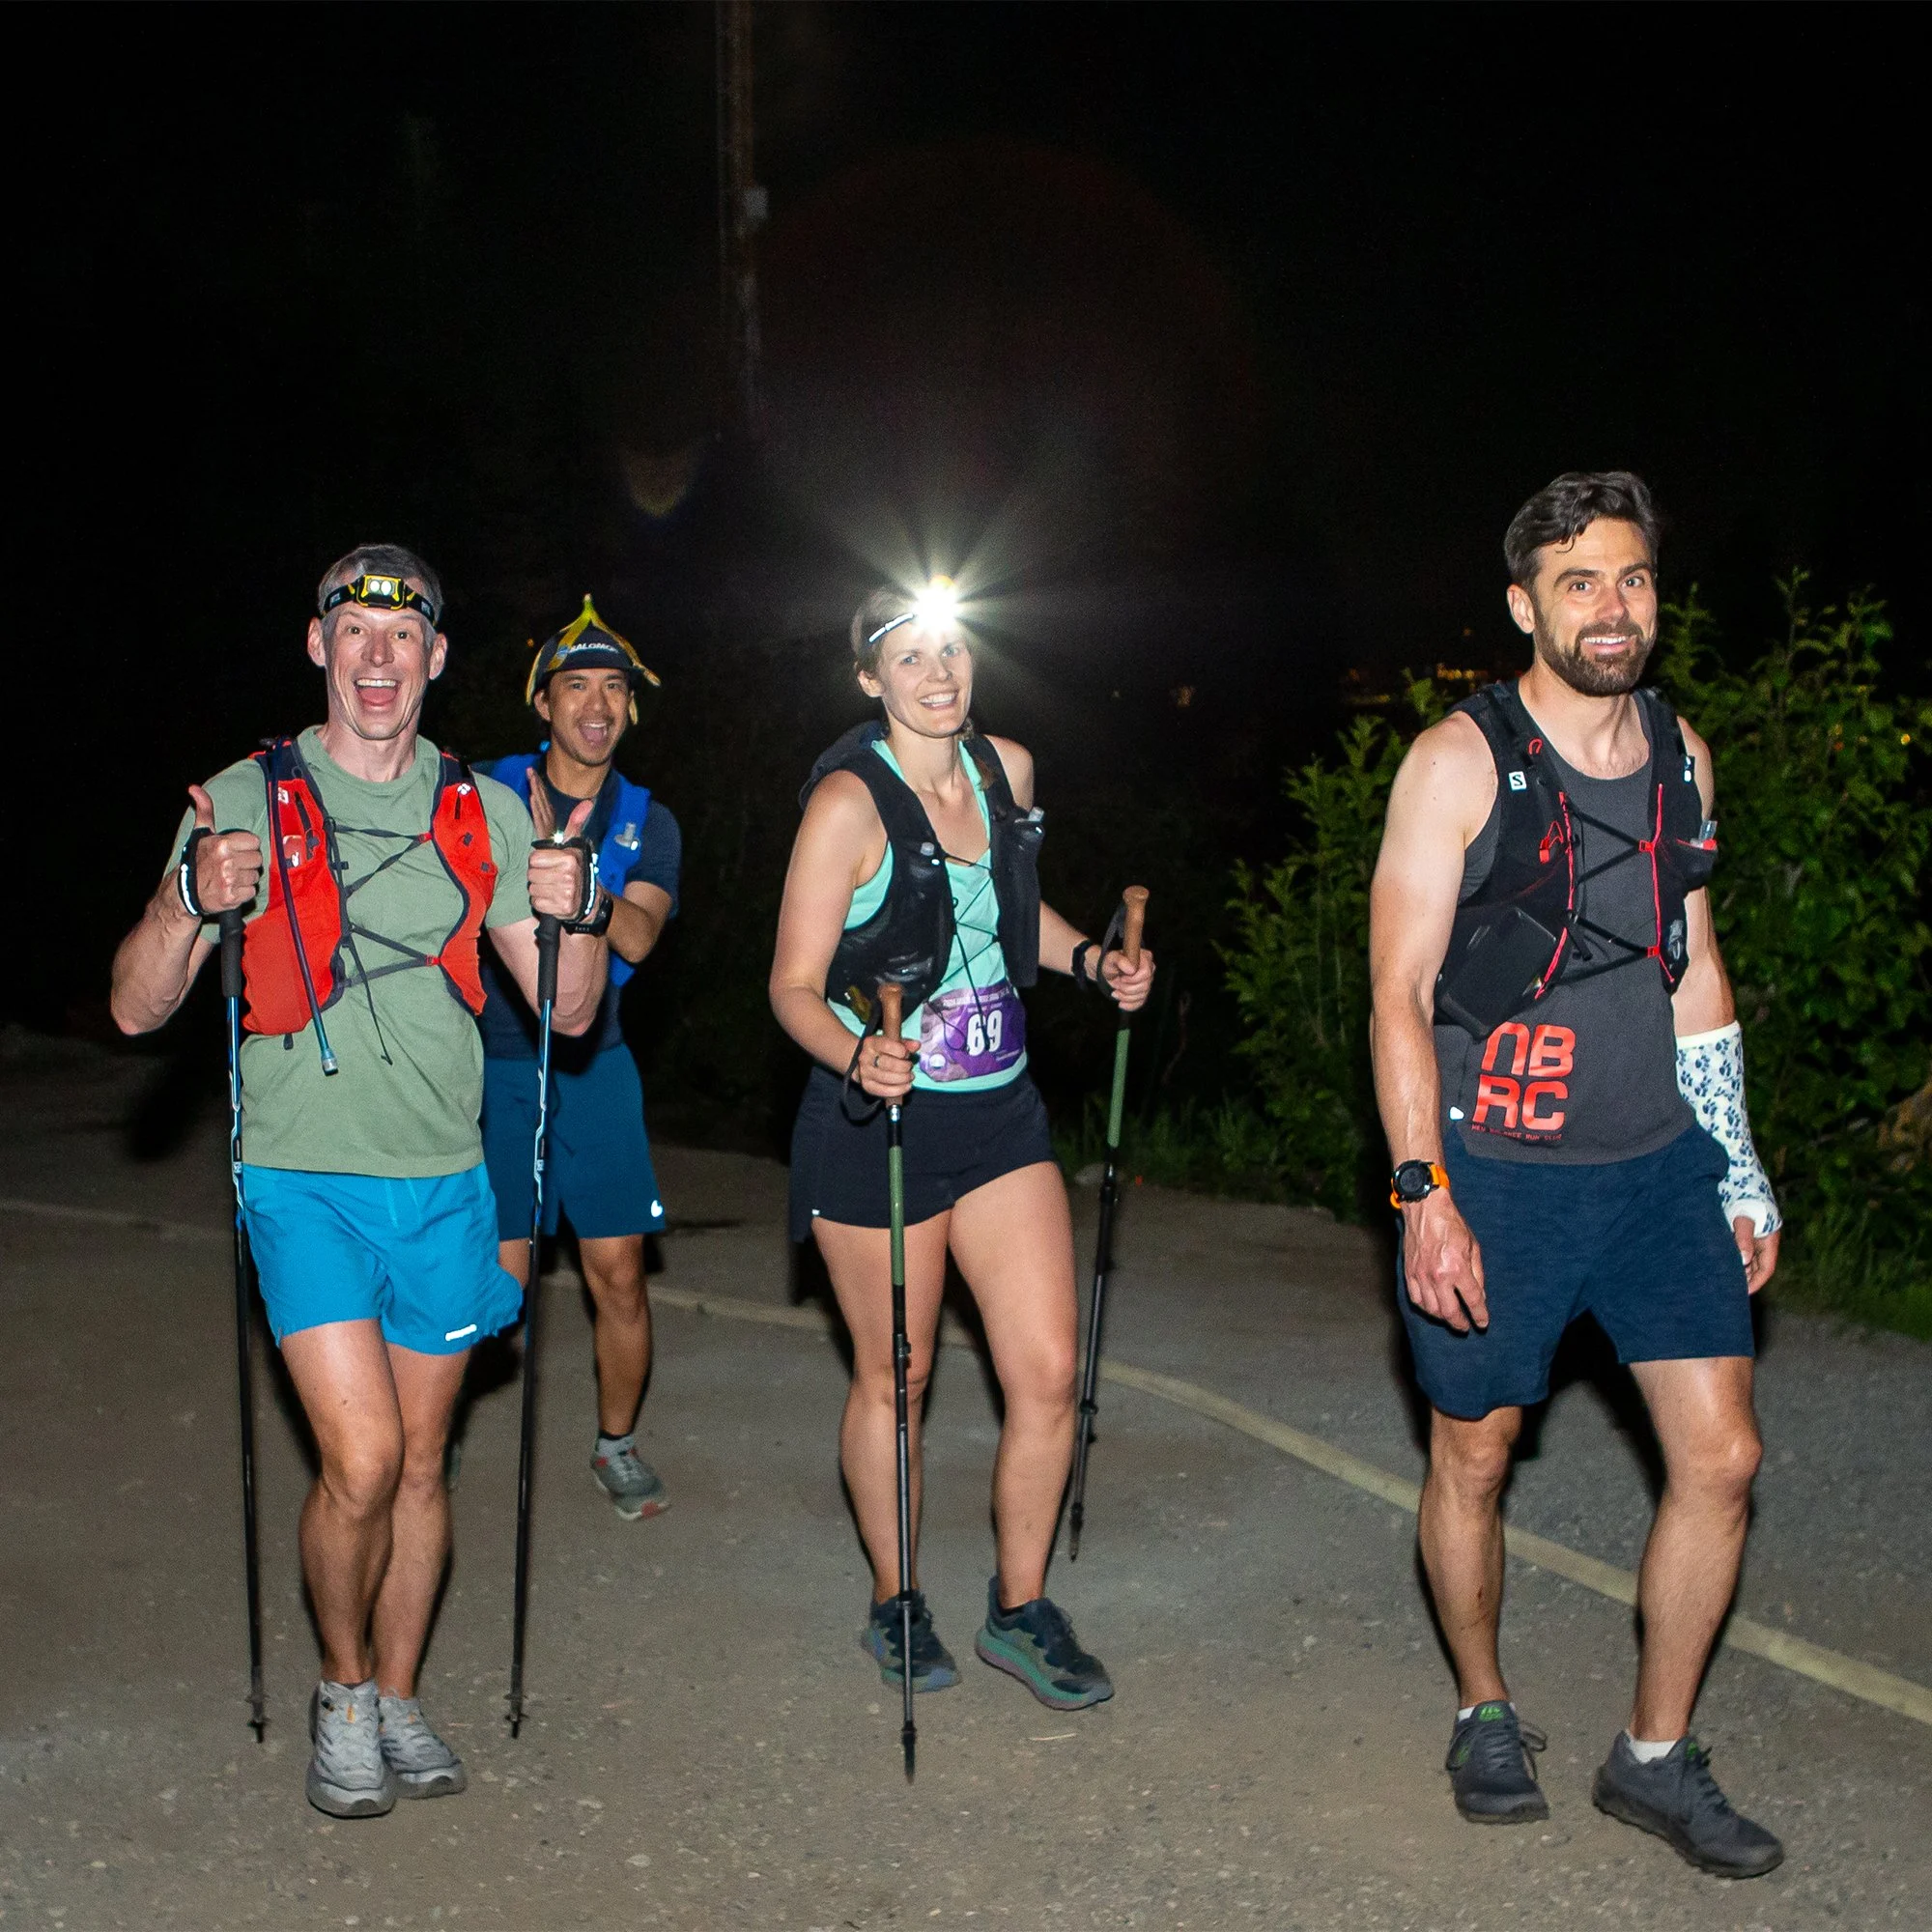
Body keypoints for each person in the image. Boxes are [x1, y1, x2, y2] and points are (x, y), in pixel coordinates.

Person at [110, 546, 608, 1821]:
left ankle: (397, 1692)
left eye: (403, 636)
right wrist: (189, 896)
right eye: (354, 631)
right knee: (366, 1458)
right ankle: (340, 1692)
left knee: (424, 1462)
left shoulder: (486, 807)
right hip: (301, 1179)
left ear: (435, 656)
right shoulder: (242, 794)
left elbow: (567, 1013)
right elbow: (134, 1007)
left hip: (444, 1180)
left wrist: (582, 910)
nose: (377, 659)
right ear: (317, 645)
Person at [1369, 473, 1785, 1879]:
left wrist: (1739, 1165)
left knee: (1723, 1457)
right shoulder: (1455, 764)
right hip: (1497, 1173)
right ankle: (1482, 1707)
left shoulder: (1682, 754)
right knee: (1476, 1452)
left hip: (1657, 1165)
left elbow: (1695, 963)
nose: (1612, 608)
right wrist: (1420, 1191)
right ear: (1522, 606)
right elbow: (1399, 993)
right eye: (1578, 583)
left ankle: (1652, 1756)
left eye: (1632, 578)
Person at [769, 582, 1154, 1712]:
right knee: (898, 1373)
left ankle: (1018, 1609)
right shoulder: (845, 806)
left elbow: (1011, 910)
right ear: (869, 679)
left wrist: (1092, 962)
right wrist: (856, 1054)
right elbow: (791, 985)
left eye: (952, 648)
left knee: (1047, 1370)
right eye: (908, 655)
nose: (937, 673)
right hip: (876, 1120)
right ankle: (895, 1600)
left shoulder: (1006, 769)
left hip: (998, 1112)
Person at [476, 597, 681, 1520]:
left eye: (614, 690)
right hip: (492, 1062)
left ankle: (616, 1445)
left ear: (630, 708)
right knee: (499, 1281)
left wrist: (584, 887)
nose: (596, 705)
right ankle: (428, 1430)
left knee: (619, 1272)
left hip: (598, 1065)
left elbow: (638, 936)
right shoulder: (483, 790)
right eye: (576, 687)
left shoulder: (646, 819)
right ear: (543, 703)